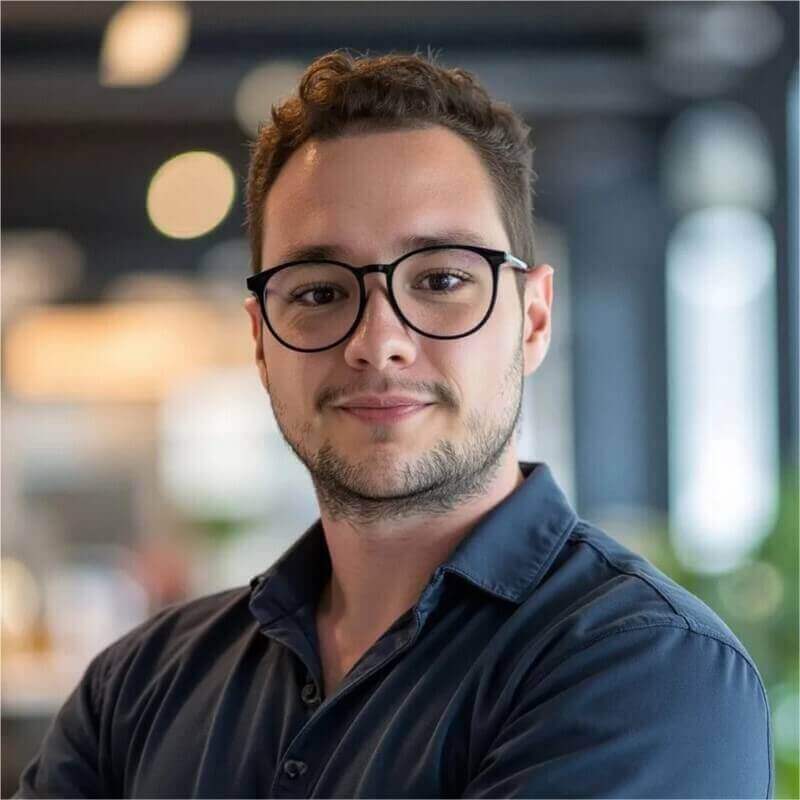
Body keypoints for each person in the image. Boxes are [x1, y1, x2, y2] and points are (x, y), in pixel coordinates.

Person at [16, 50, 773, 799]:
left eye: (441, 279)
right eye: (316, 292)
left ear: (533, 318)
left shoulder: (646, 669)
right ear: (260, 338)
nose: (378, 341)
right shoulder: (139, 687)